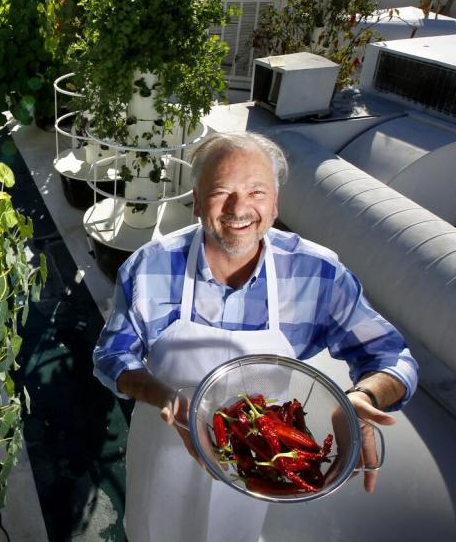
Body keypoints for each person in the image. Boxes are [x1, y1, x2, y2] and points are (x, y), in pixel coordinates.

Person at [92, 131, 418, 542]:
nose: (239, 208)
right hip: (165, 447)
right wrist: (162, 395)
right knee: (152, 530)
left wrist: (360, 399)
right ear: (195, 200)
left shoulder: (317, 274)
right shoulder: (150, 266)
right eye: (221, 191)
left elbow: (393, 358)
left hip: (261, 463)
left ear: (276, 203)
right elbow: (111, 355)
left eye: (256, 191)